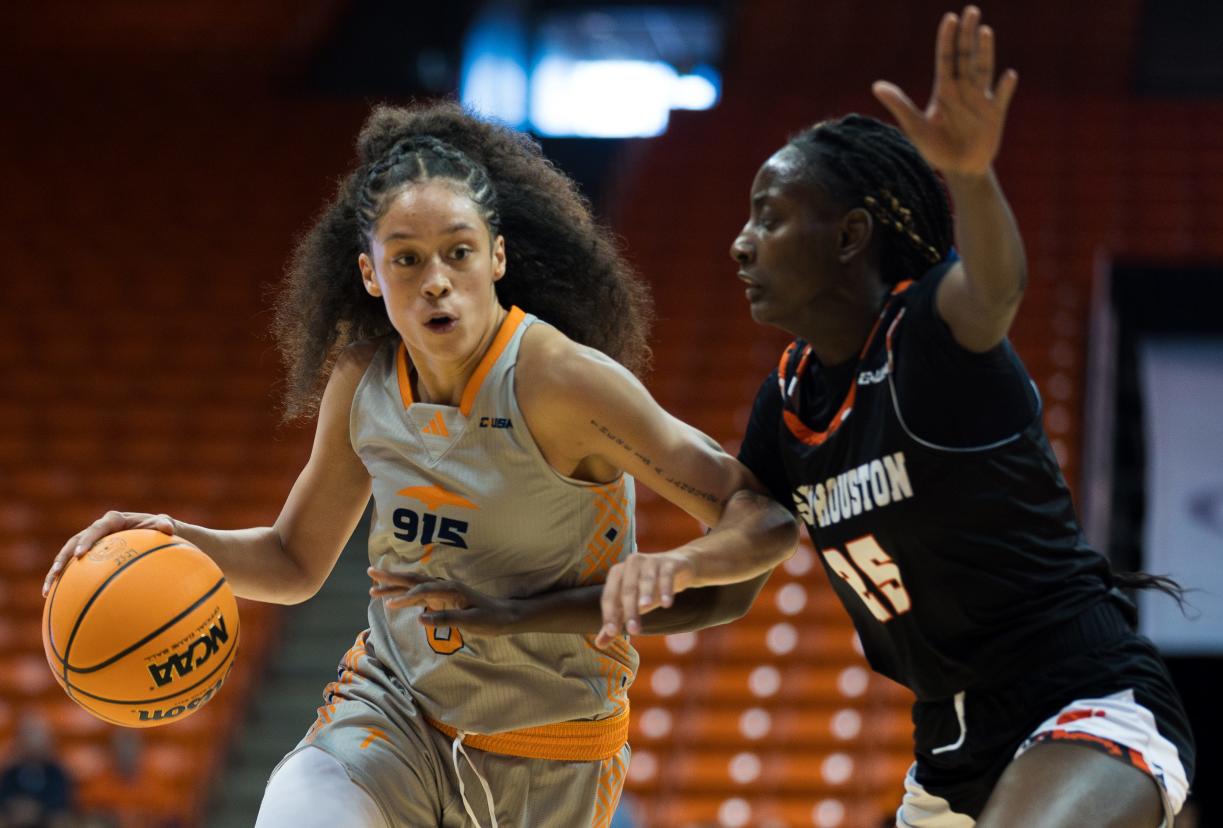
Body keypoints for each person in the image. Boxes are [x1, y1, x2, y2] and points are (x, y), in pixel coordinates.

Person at [43, 102, 798, 827]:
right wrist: (173, 540)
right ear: (371, 273)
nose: (436, 278)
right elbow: (294, 559)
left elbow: (759, 515)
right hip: (392, 712)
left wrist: (683, 565)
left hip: (549, 751)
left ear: (496, 256)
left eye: (458, 252)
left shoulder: (564, 382)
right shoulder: (363, 377)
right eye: (406, 258)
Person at [602, 6, 1194, 827]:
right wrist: (673, 567)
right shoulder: (787, 398)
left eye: (769, 217)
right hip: (949, 747)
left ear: (850, 237)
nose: (740, 244)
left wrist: (974, 174)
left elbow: (996, 290)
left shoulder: (927, 342)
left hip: (1080, 699)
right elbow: (760, 531)